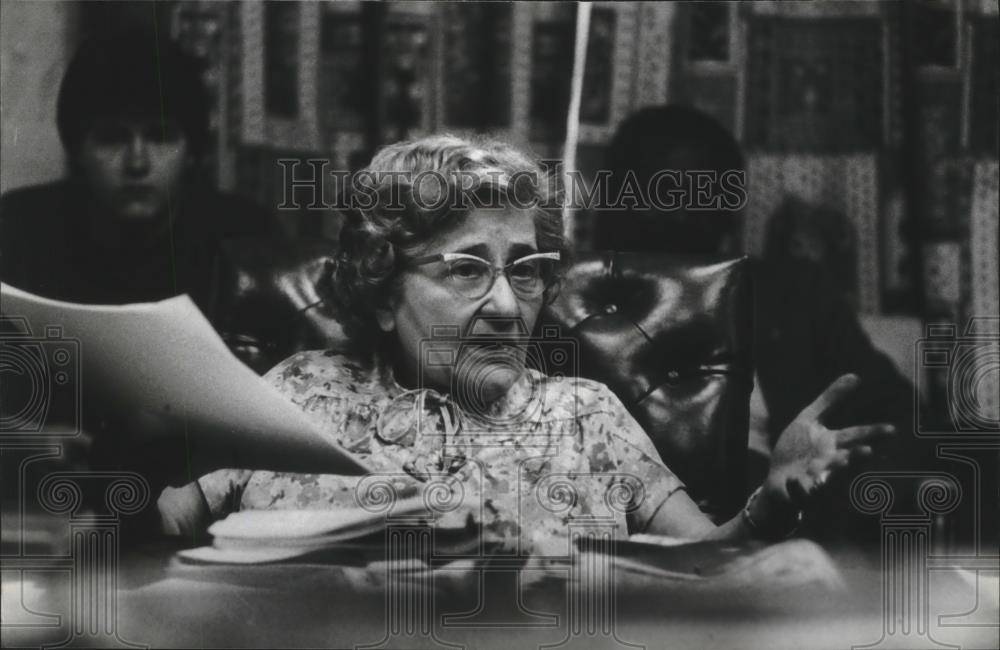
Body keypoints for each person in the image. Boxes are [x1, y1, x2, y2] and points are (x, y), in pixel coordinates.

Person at [157, 135, 892, 553]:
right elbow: (161, 530)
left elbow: (709, 569)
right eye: (468, 270)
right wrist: (122, 448)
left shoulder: (585, 416)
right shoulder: (299, 391)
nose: (508, 305)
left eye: (528, 271)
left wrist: (773, 499)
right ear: (383, 290)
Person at [592, 105, 919, 541]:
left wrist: (831, 487)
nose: (681, 215)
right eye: (661, 193)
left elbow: (896, 416)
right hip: (629, 539)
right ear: (614, 203)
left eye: (701, 195)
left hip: (791, 531)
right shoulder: (571, 305)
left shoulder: (796, 296)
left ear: (730, 213)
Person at [0, 32, 275, 310]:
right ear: (76, 150)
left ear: (192, 151)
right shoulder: (20, 230)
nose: (137, 163)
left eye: (160, 138)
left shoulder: (245, 240)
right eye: (113, 138)